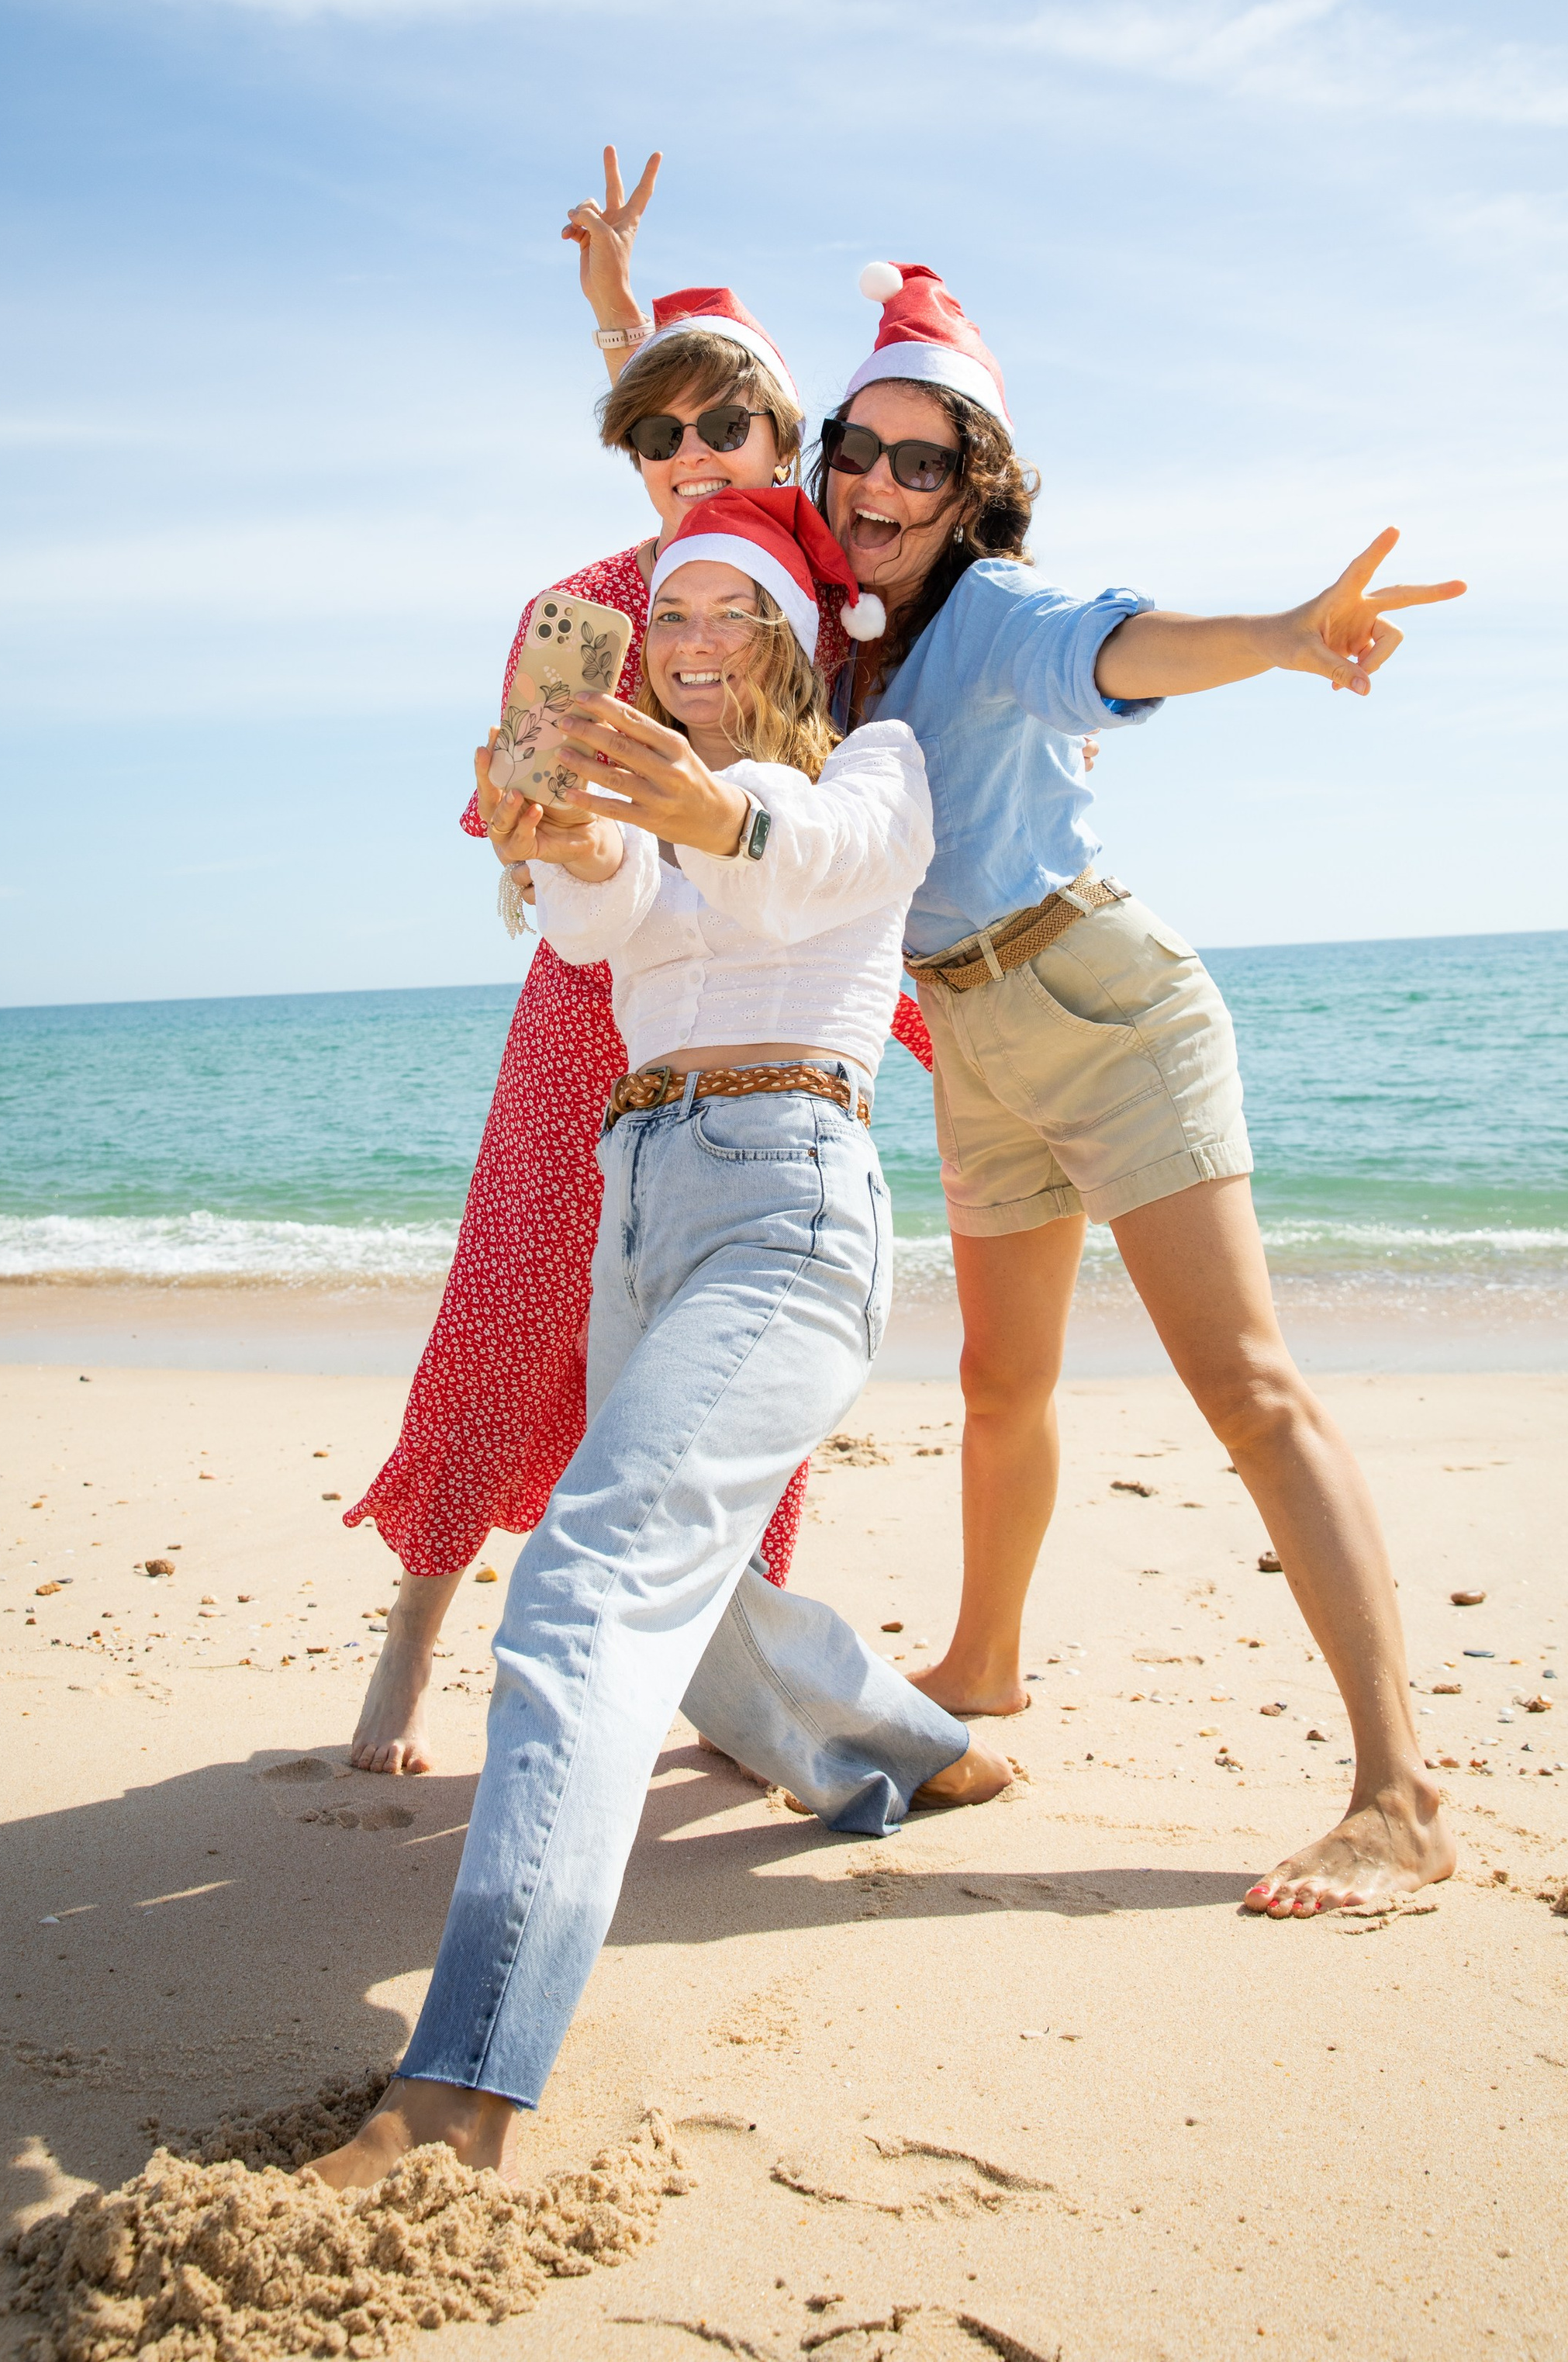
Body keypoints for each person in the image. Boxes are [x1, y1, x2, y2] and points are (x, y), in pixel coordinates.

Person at [311, 490, 1007, 2189]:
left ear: (791, 632)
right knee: (688, 1605)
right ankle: (912, 1745)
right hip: (637, 1192)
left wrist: (698, 803)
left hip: (789, 1202)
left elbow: (808, 863)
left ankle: (461, 2088)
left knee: (592, 1576)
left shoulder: (871, 768)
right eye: (668, 612)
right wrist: (552, 829)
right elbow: (595, 921)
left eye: (729, 612)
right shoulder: (647, 801)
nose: (691, 641)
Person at [817, 259, 1468, 1920]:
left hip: (1100, 1002)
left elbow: (1119, 647)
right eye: (857, 447)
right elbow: (703, 461)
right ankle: (978, 1669)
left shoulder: (996, 614)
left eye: (920, 460)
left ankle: (1396, 1796)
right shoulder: (852, 640)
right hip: (969, 1038)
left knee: (1245, 1388)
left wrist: (1279, 634)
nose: (877, 482)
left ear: (973, 493)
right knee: (992, 1385)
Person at [344, 154, 931, 1774]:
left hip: (784, 1004)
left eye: (721, 431)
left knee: (737, 1351)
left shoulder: (836, 602)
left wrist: (626, 318)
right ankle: (406, 1654)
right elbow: (535, 843)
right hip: (589, 999)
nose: (686, 458)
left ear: (785, 446)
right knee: (509, 1301)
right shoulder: (589, 610)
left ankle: (728, 1682)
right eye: (654, 437)